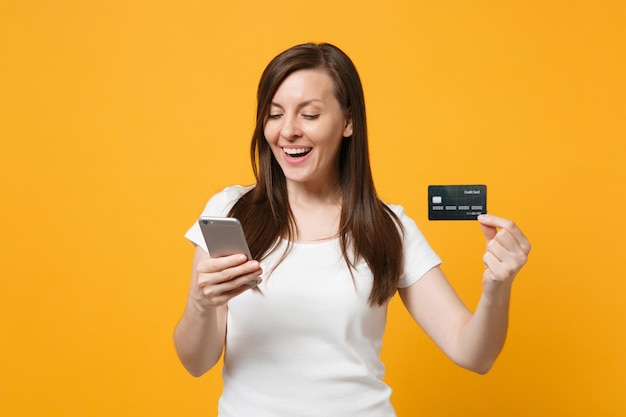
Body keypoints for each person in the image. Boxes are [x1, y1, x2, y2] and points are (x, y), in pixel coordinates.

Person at [174, 42, 531, 417]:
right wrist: (201, 304)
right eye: (275, 115)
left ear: (348, 122)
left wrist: (496, 287)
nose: (288, 131)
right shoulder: (231, 212)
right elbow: (196, 362)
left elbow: (474, 353)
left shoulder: (387, 228)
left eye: (309, 115)